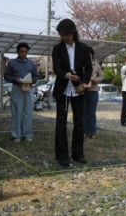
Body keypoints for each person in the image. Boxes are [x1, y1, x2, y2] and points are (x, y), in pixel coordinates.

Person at [52, 18, 92, 167]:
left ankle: (78, 154)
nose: (64, 37)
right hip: (63, 89)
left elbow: (88, 68)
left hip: (78, 89)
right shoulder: (57, 49)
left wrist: (83, 81)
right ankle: (62, 156)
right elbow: (57, 68)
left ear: (73, 33)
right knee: (61, 123)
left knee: (79, 122)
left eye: (66, 34)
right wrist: (67, 75)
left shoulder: (83, 48)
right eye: (61, 34)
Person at [4, 42, 39, 142]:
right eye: (21, 52)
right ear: (18, 52)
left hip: (28, 88)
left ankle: (27, 134)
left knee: (28, 111)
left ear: (27, 52)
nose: (23, 54)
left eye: (25, 52)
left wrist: (32, 80)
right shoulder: (12, 63)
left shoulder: (31, 63)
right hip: (17, 88)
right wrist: (15, 79)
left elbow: (36, 76)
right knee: (17, 111)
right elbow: (6, 76)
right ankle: (16, 135)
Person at [83, 47, 103, 139]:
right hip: (83, 91)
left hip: (93, 90)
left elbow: (101, 76)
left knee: (92, 113)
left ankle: (93, 132)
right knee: (84, 112)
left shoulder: (96, 65)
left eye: (89, 53)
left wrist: (95, 80)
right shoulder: (80, 65)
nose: (88, 55)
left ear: (92, 55)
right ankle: (85, 132)